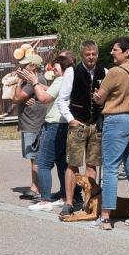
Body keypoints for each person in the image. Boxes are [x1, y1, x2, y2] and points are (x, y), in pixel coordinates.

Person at [92, 37, 129, 230]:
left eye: (115, 49)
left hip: (116, 120)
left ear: (126, 52)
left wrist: (97, 96)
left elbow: (100, 99)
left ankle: (105, 217)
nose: (112, 52)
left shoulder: (115, 72)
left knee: (111, 168)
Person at [57, 41, 105, 209]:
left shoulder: (104, 71)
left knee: (92, 164)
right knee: (72, 163)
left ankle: (89, 202)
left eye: (93, 54)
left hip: (96, 125)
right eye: (87, 54)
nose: (91, 57)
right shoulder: (71, 72)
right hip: (78, 124)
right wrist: (70, 119)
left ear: (97, 54)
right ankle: (69, 202)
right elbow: (61, 100)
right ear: (82, 55)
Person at [30, 55, 73, 212]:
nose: (53, 69)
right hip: (65, 125)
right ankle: (64, 196)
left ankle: (45, 199)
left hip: (54, 124)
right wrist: (38, 84)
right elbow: (52, 92)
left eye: (56, 66)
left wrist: (34, 82)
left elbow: (44, 98)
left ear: (63, 67)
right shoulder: (68, 81)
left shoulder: (60, 80)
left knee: (43, 163)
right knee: (62, 163)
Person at [13, 53, 49, 200]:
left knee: (35, 157)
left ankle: (36, 188)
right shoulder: (32, 81)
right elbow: (17, 98)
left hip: (33, 125)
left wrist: (18, 83)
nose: (22, 67)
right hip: (31, 123)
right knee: (33, 158)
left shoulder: (34, 81)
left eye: (26, 65)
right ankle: (36, 185)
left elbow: (16, 97)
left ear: (33, 66)